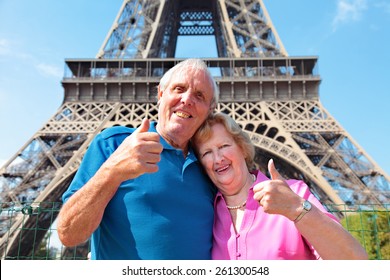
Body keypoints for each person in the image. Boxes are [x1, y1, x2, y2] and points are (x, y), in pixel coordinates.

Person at [57, 58, 219, 260]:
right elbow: (69, 234)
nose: (187, 99)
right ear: (160, 93)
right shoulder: (113, 144)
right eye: (179, 88)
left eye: (199, 95)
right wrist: (113, 171)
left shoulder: (213, 163)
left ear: (210, 110)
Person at [192, 112, 368, 260]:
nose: (218, 158)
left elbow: (354, 263)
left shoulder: (293, 193)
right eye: (207, 152)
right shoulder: (206, 213)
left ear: (242, 148)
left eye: (223, 146)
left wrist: (296, 208)